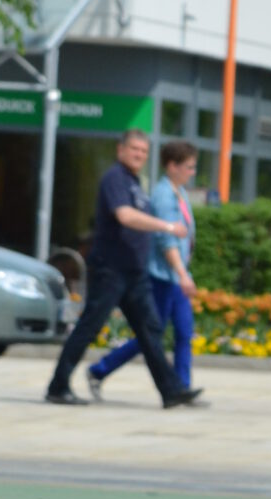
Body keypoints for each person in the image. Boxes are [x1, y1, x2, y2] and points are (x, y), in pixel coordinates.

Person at [45, 131, 202, 409]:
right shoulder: (115, 179)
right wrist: (166, 226)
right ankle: (58, 385)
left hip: (134, 273)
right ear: (121, 150)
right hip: (111, 270)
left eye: (143, 151)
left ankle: (171, 390)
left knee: (150, 328)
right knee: (90, 326)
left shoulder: (135, 183)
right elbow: (125, 216)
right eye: (134, 149)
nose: (139, 154)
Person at [87, 140, 198, 397]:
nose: (192, 172)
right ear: (172, 166)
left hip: (176, 275)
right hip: (164, 276)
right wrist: (182, 275)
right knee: (150, 335)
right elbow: (167, 240)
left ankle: (182, 386)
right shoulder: (163, 194)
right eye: (189, 167)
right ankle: (100, 369)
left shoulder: (179, 193)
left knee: (183, 330)